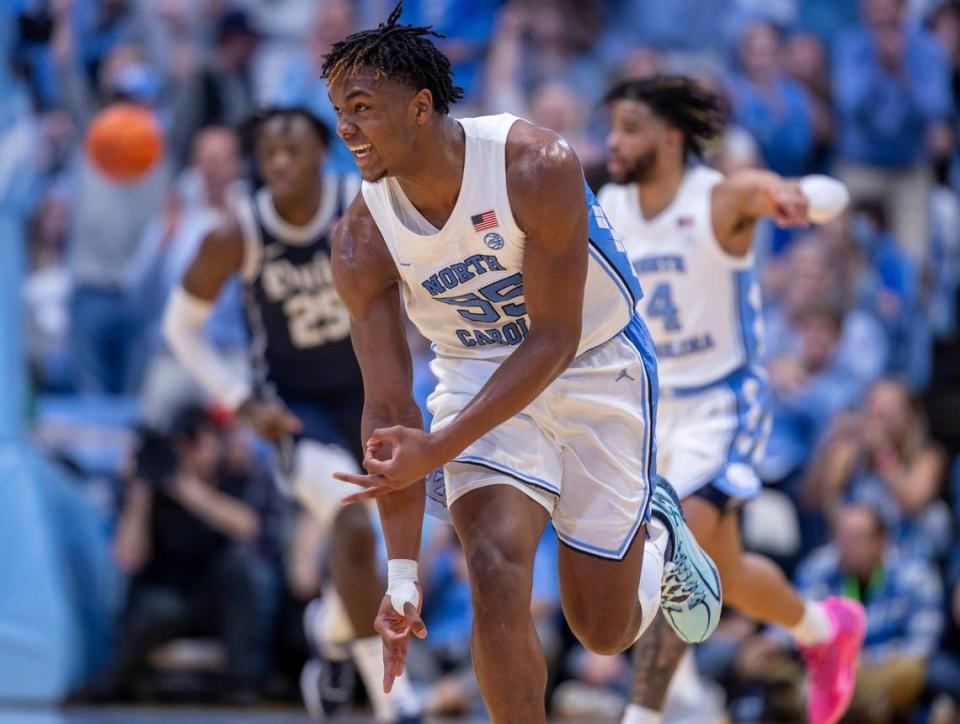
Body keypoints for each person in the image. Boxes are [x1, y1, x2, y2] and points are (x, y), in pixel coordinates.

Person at [321, 9, 722, 723]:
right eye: (338, 113)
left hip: (593, 361)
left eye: (361, 109)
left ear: (420, 108)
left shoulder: (533, 166)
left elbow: (555, 336)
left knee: (602, 630)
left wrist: (439, 449)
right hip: (474, 368)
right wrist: (404, 580)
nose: (346, 129)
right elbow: (389, 412)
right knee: (492, 569)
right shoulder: (359, 238)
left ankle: (658, 535)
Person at [597, 76, 866, 724]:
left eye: (629, 128)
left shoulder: (720, 197)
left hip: (723, 405)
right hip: (652, 409)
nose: (612, 141)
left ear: (671, 137)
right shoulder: (609, 201)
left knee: (669, 538)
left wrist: (791, 196)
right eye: (612, 127)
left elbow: (770, 191)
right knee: (729, 573)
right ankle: (826, 631)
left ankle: (647, 714)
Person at [161, 106, 421, 722]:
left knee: (383, 554)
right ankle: (395, 702)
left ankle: (331, 632)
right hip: (294, 414)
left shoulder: (361, 207)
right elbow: (180, 328)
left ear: (319, 154)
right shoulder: (238, 232)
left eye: (294, 150)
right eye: (269, 153)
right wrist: (240, 399)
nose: (280, 163)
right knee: (354, 520)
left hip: (372, 401)